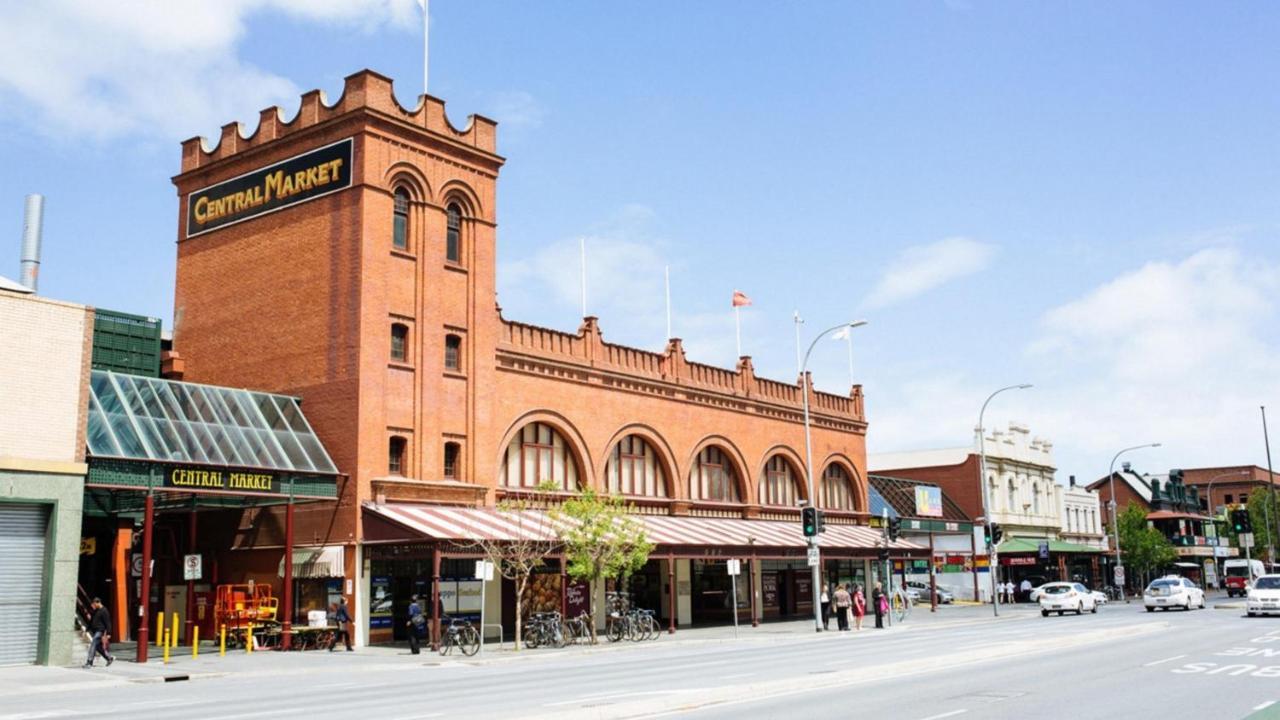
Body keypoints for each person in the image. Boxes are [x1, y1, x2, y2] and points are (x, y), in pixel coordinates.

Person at [84, 598, 114, 668]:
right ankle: (109, 658)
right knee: (98, 647)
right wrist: (87, 629)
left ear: (98, 603)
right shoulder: (95, 611)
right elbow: (91, 621)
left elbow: (108, 622)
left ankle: (89, 662)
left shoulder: (104, 611)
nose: (94, 606)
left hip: (100, 631)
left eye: (94, 604)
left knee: (93, 643)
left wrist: (109, 633)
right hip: (95, 631)